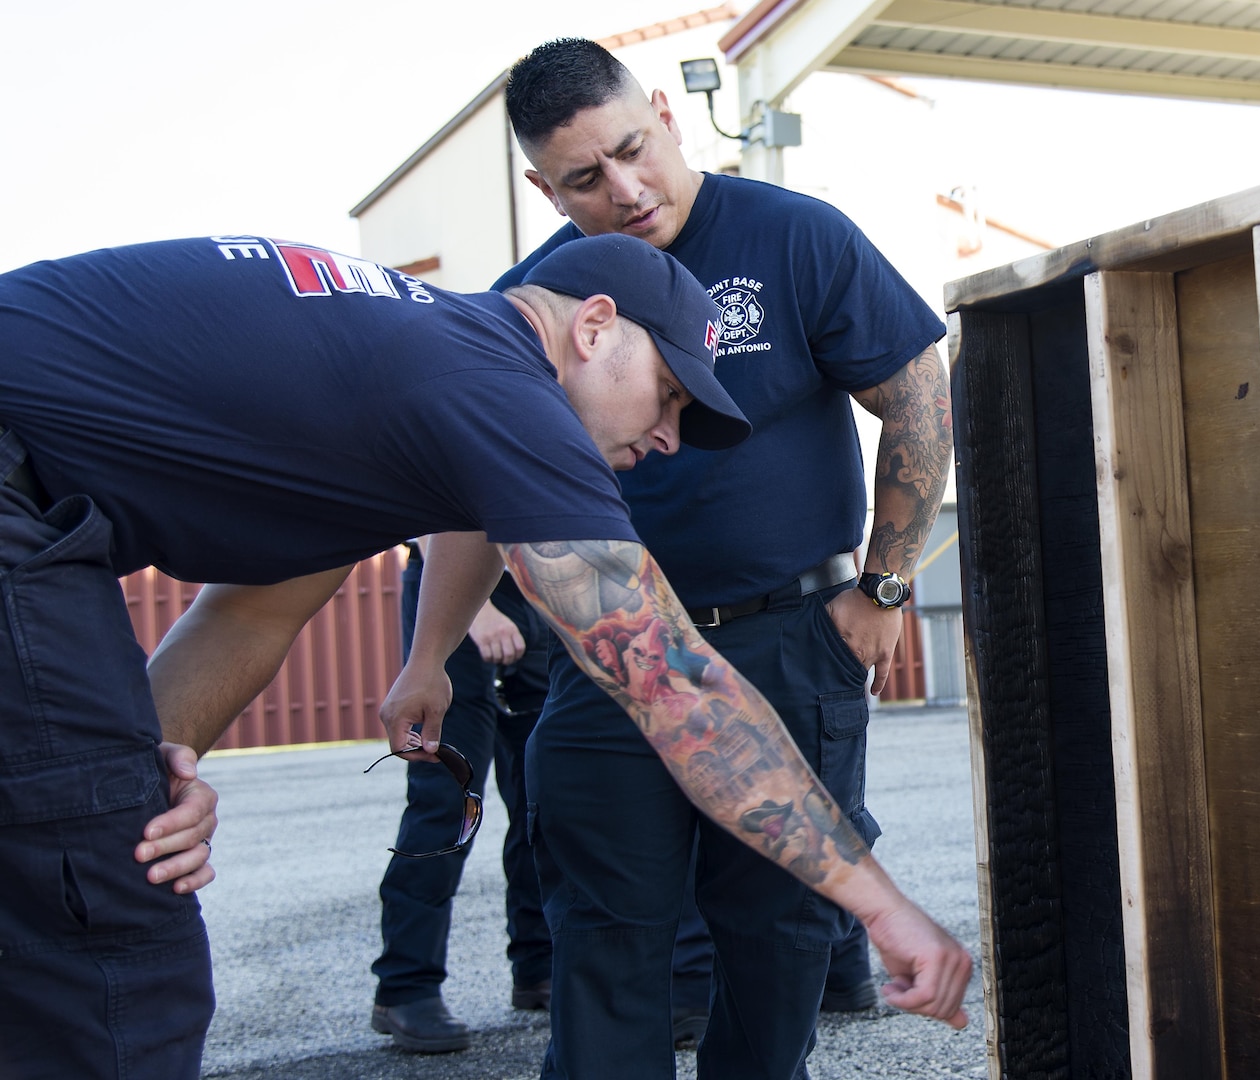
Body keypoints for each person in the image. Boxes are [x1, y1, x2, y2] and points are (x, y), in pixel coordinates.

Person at [0, 229, 761, 1078]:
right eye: (665, 394)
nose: (666, 437)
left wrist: (149, 788)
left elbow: (251, 616)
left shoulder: (379, 373)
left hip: (31, 479)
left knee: (83, 874)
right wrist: (877, 904)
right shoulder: (492, 377)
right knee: (113, 958)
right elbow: (668, 678)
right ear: (593, 329)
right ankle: (405, 982)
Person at [483, 36, 959, 1079]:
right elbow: (474, 476)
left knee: (780, 929)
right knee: (607, 931)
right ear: (540, 186)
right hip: (610, 660)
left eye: (632, 148)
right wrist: (437, 640)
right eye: (582, 179)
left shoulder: (796, 236)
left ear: (662, 110)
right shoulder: (530, 301)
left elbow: (918, 396)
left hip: (787, 636)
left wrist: (884, 585)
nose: (624, 189)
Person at [370, 548, 553, 1053]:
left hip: (535, 598)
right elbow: (427, 508)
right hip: (454, 602)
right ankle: (406, 986)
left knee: (544, 795)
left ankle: (539, 965)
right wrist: (477, 613)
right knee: (448, 801)